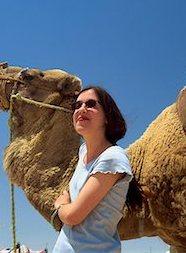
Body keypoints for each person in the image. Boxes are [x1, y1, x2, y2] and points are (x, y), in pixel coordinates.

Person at [52, 86, 133, 253]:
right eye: (77, 105)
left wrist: (61, 205)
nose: (82, 109)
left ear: (106, 117)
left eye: (90, 104)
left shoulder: (112, 158)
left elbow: (73, 216)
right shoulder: (83, 152)